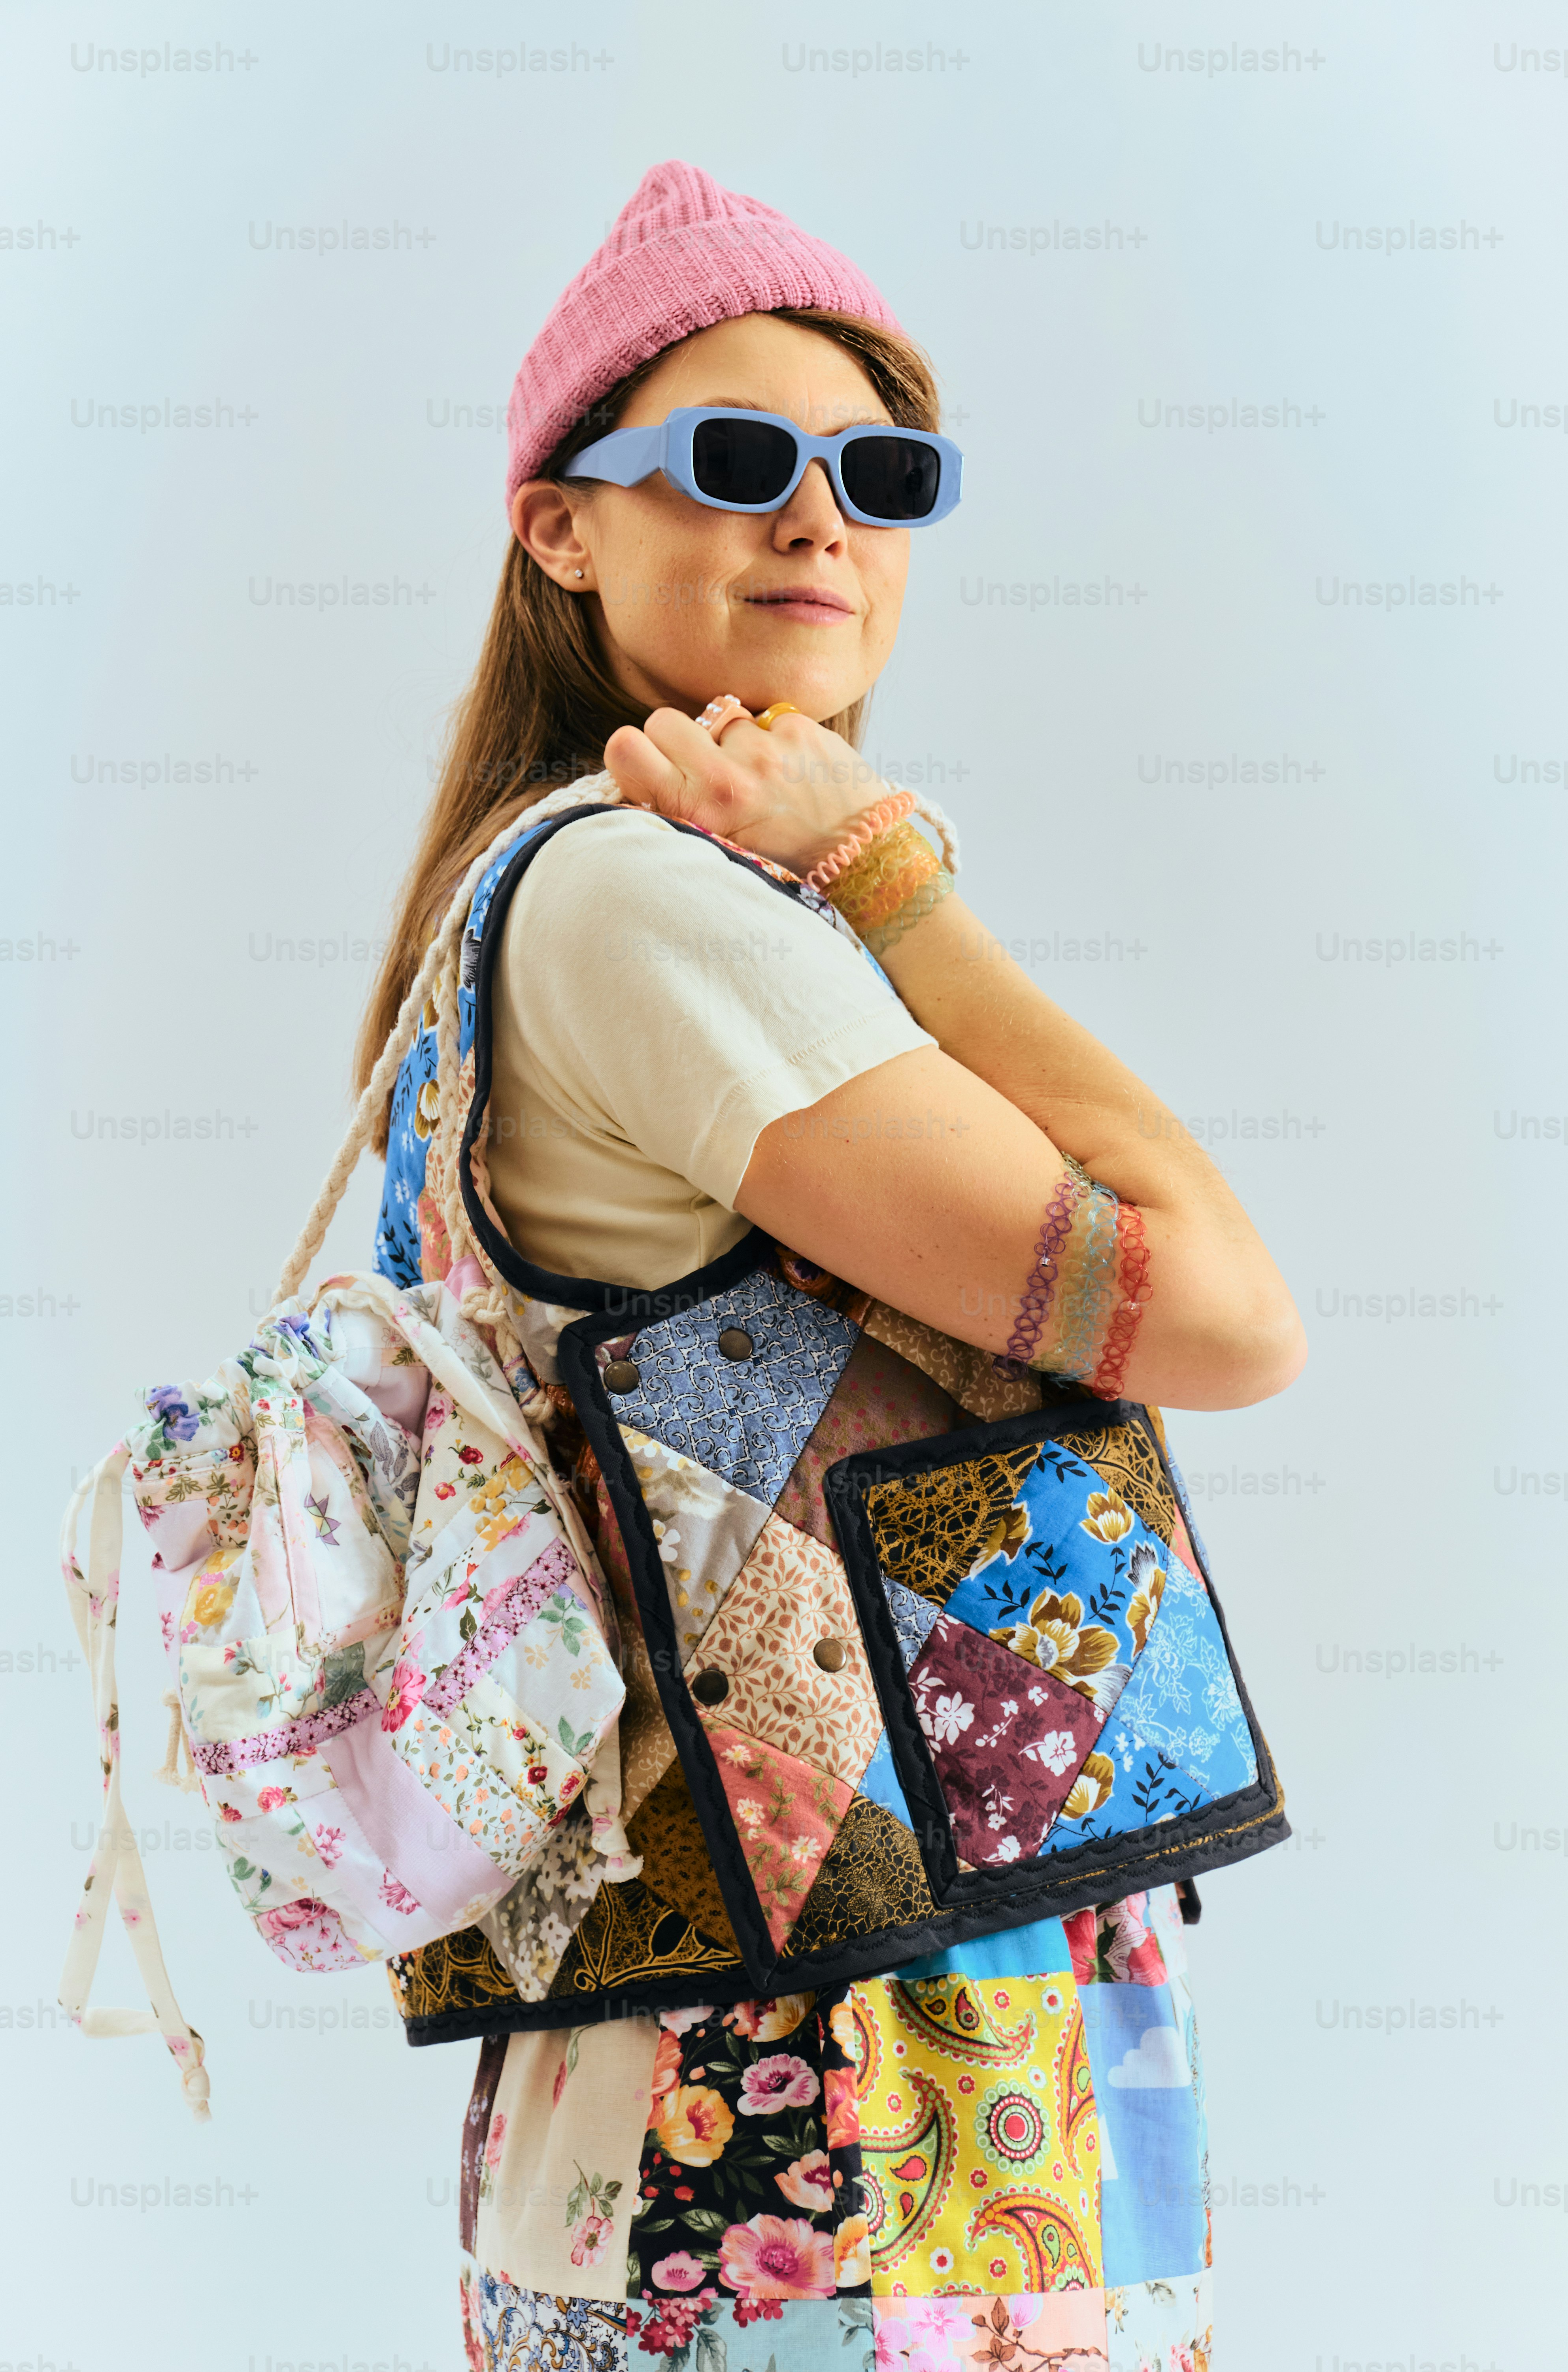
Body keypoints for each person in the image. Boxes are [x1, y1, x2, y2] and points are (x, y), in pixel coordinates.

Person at [357, 160, 1304, 2372]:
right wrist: (899, 885)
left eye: (881, 474)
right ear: (559, 520)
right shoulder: (649, 905)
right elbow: (1229, 1308)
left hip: (732, 2045)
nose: (819, 521)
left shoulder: (555, 897)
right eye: (734, 458)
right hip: (849, 2078)